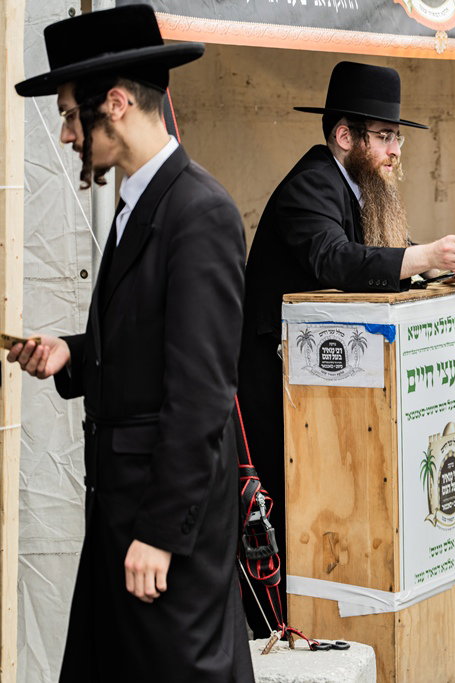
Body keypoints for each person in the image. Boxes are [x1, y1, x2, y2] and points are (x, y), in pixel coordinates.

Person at [7, 5, 254, 681]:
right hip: (123, 515)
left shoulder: (198, 211)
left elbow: (202, 392)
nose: (65, 135)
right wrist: (73, 353)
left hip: (164, 529)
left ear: (114, 103)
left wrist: (159, 534)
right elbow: (151, 336)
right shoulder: (138, 201)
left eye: (69, 115)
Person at [238, 60, 455, 635]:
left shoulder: (357, 184)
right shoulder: (312, 184)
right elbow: (334, 259)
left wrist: (431, 270)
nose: (395, 151)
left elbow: (379, 255)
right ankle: (275, 632)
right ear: (344, 136)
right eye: (383, 137)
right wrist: (422, 258)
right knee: (284, 513)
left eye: (397, 137)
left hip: (322, 386)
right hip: (279, 390)